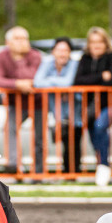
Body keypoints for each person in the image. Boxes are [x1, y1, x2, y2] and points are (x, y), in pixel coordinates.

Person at [74, 27, 112, 187]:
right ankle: (102, 166)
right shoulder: (85, 58)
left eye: (100, 42)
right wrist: (101, 76)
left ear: (105, 42)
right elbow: (78, 80)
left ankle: (104, 165)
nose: (96, 45)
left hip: (110, 104)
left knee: (100, 125)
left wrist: (94, 80)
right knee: (94, 133)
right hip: (90, 107)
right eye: (93, 42)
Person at [0, 26, 44, 175]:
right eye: (17, 38)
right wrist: (17, 84)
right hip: (15, 102)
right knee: (9, 128)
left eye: (24, 39)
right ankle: (15, 165)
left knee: (39, 137)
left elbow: (34, 77)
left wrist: (20, 61)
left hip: (38, 102)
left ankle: (39, 171)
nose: (22, 42)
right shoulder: (2, 56)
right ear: (8, 42)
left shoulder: (35, 55)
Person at [33, 37, 80, 176]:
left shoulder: (74, 64)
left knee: (73, 142)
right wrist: (58, 86)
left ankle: (72, 173)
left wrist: (51, 83)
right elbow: (37, 82)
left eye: (66, 50)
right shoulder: (47, 63)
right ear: (53, 52)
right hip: (55, 111)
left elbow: (68, 82)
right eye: (59, 50)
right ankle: (65, 172)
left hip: (75, 110)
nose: (62, 54)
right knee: (61, 140)